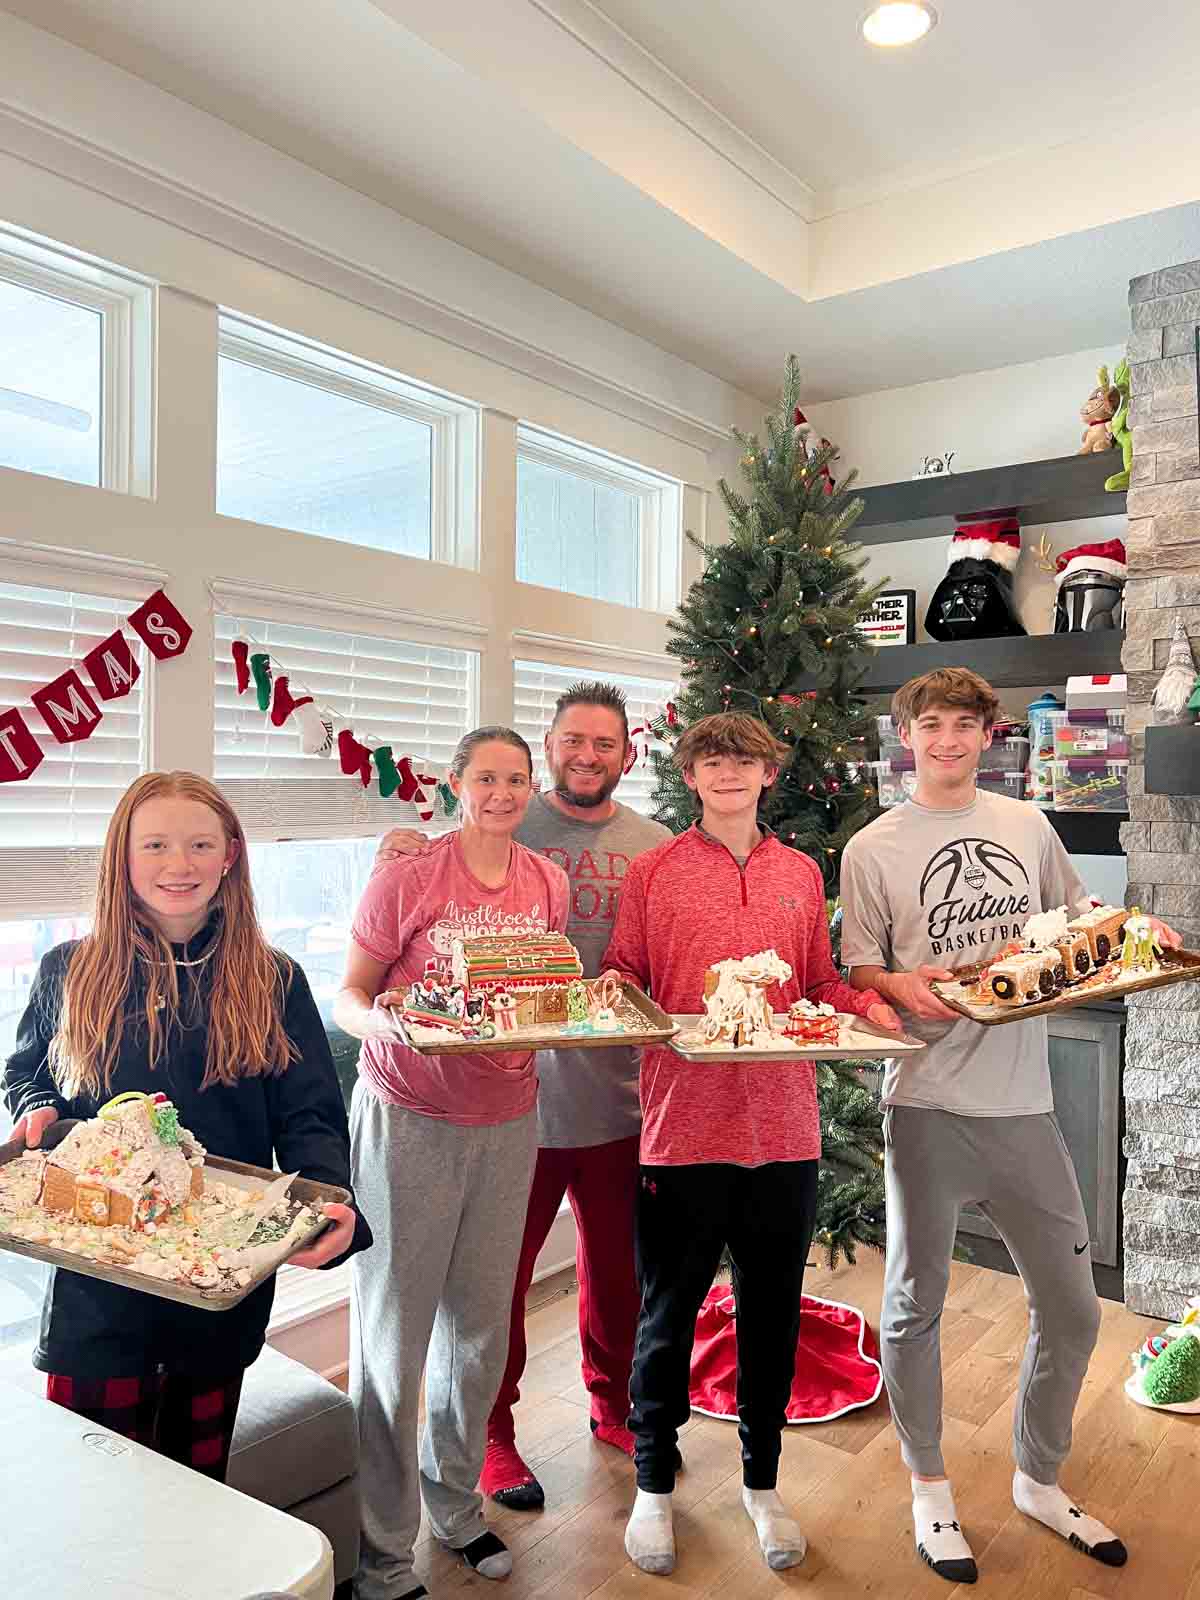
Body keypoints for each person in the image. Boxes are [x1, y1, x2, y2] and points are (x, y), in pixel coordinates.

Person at [839, 668, 1179, 1584]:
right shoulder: (872, 847)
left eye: (963, 725)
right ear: (905, 735)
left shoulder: (1028, 826)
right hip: (924, 1103)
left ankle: (1037, 1476)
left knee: (1070, 1310)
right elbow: (860, 967)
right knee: (914, 1304)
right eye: (929, 725)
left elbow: (1071, 927)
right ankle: (929, 1488)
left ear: (988, 736)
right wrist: (896, 988)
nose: (946, 741)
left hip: (1023, 1103)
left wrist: (1134, 941)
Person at [600, 712, 902, 1577]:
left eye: (744, 761)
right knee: (665, 1319)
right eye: (710, 761)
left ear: (769, 774)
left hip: (782, 1135)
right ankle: (654, 1487)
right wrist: (623, 1002)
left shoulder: (802, 873)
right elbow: (623, 970)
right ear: (690, 777)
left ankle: (762, 1486)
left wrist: (871, 1012)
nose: (727, 773)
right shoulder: (653, 871)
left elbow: (816, 983)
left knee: (771, 1317)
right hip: (678, 1133)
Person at [2, 771, 369, 1482]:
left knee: (197, 1486)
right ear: (123, 858)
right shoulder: (68, 969)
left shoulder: (272, 978)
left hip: (217, 1277)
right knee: (92, 1484)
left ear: (230, 855)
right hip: (97, 1282)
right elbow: (28, 1073)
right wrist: (32, 1109)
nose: (180, 865)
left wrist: (329, 1202)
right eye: (158, 845)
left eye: (201, 844)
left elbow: (310, 1116)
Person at [376, 681, 670, 1509]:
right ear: (549, 747)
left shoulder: (654, 842)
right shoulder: (504, 822)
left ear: (628, 753)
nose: (587, 755)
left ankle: (611, 1405)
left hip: (617, 1099)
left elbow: (660, 953)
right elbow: (425, 900)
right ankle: (495, 1434)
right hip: (512, 1101)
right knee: (493, 1281)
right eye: (573, 741)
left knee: (615, 1271)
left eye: (604, 743)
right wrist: (395, 841)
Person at [336, 725, 570, 1600]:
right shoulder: (409, 874)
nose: (502, 793)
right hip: (410, 1121)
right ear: (458, 785)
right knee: (395, 1341)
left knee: (478, 1334)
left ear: (530, 786)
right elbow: (351, 994)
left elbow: (545, 993)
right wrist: (390, 1026)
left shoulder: (547, 880)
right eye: (486, 778)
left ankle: (457, 1506)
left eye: (516, 779)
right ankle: (384, 1555)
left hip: (509, 1122)